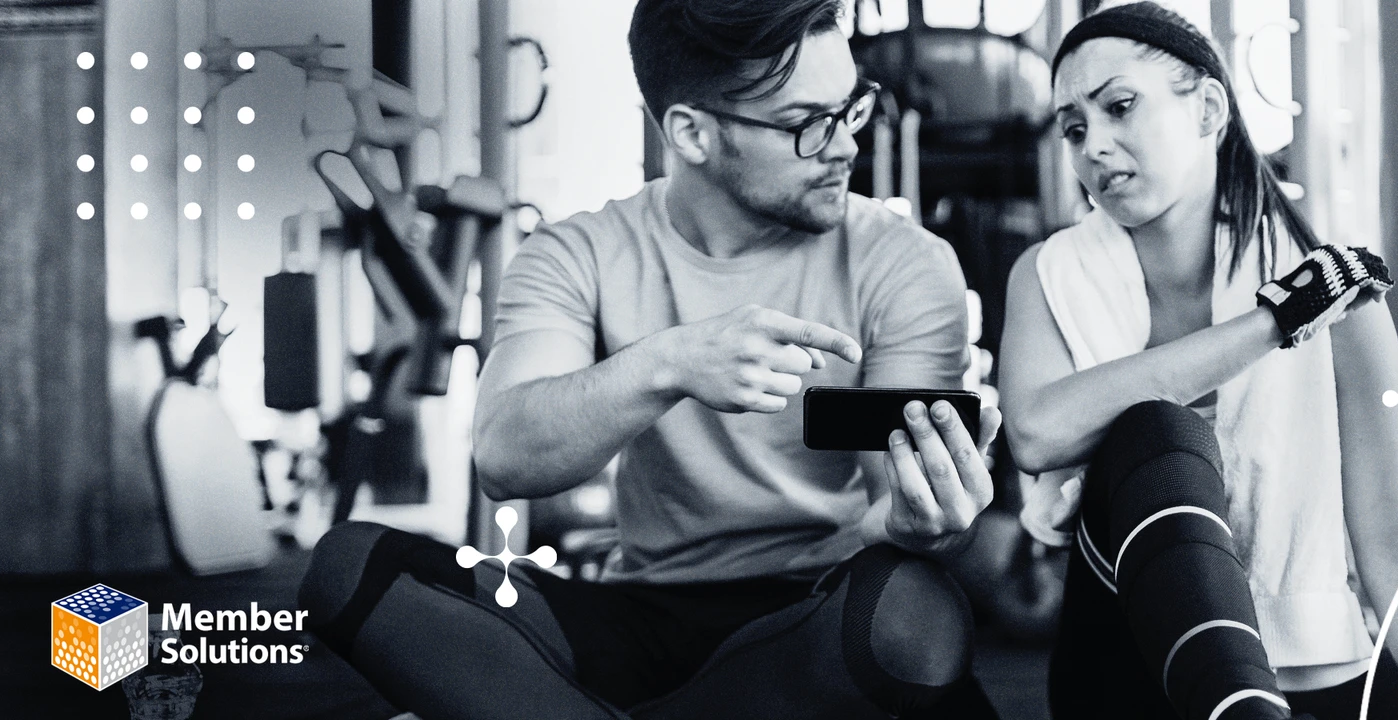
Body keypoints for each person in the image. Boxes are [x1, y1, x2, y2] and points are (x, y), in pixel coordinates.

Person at [297, 1, 1006, 717]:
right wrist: (669, 363)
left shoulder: (906, 262)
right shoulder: (576, 254)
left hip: (820, 606)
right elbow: (506, 455)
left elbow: (898, 503)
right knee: (348, 567)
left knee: (916, 613)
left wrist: (925, 523)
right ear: (692, 132)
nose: (845, 145)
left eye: (851, 107)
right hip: (638, 613)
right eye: (804, 125)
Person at [999, 4, 1398, 720]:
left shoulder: (1339, 297)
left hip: (1311, 670)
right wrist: (1275, 321)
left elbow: (1396, 544)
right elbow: (1038, 431)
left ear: (1206, 109)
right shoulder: (1046, 275)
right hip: (1126, 670)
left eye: (1120, 108)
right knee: (1156, 435)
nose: (1093, 147)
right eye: (1074, 129)